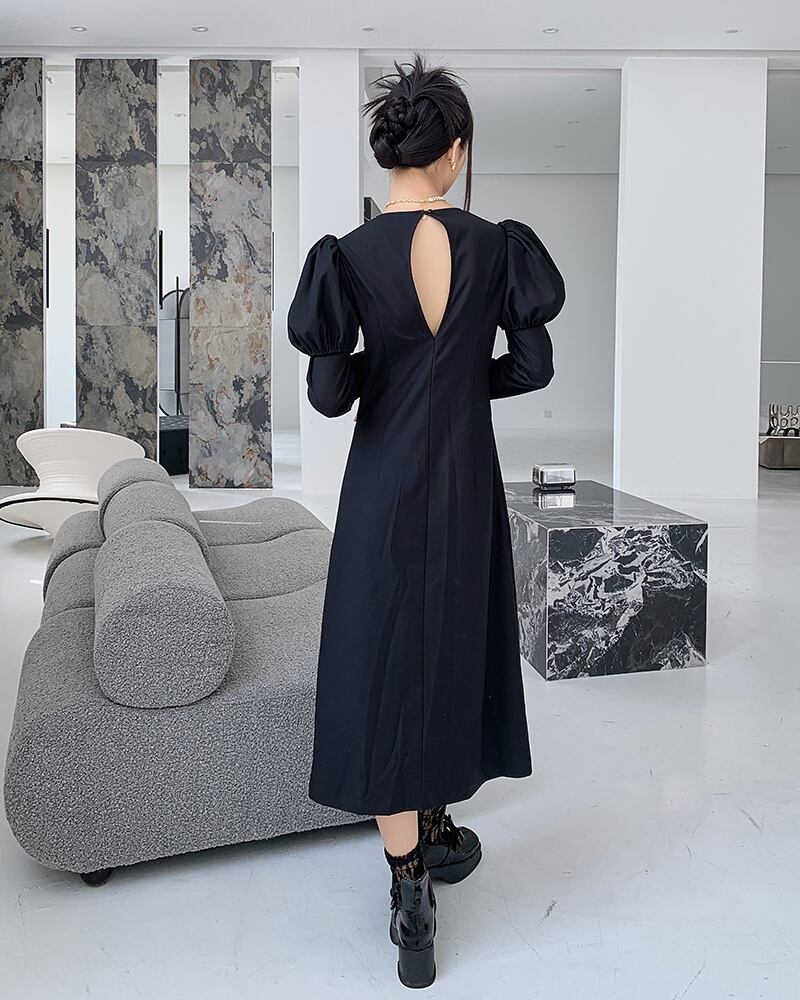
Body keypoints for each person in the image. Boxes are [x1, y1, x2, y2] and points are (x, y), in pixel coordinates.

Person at [287, 50, 566, 989]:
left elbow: (330, 397)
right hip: (465, 481)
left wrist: (390, 377)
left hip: (381, 485)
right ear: (453, 151)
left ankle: (411, 889)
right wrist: (455, 385)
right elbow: (531, 368)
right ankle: (440, 824)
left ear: (391, 155)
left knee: (380, 657)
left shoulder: (347, 258)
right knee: (452, 638)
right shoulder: (498, 246)